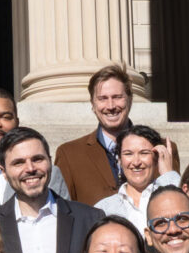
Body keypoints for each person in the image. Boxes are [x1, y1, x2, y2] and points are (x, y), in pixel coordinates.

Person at [0, 126, 107, 253]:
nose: (30, 168)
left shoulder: (89, 219)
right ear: (3, 172)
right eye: (18, 163)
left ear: (50, 161)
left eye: (37, 159)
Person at [52, 64, 136, 208]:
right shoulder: (69, 154)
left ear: (130, 100)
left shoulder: (161, 149)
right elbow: (62, 212)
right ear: (93, 105)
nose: (110, 106)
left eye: (117, 97)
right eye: (102, 98)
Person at [93, 123, 178, 231]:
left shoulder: (170, 190)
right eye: (128, 154)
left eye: (144, 153)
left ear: (156, 159)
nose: (136, 162)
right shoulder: (103, 209)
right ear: (119, 160)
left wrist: (168, 174)